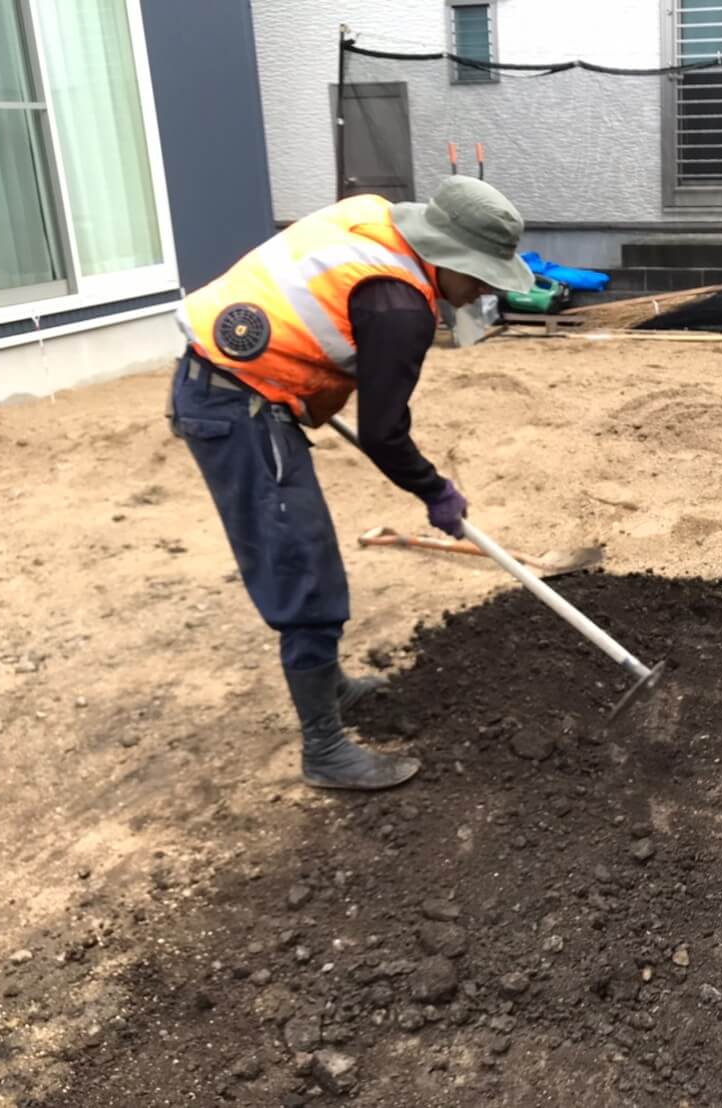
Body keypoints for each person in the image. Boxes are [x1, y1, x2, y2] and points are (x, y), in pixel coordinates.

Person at [168, 177, 533, 792]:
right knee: (300, 566)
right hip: (238, 406)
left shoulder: (373, 218)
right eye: (478, 279)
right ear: (443, 255)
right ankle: (324, 748)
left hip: (234, 382)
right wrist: (434, 489)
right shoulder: (397, 305)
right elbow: (385, 434)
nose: (479, 294)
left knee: (307, 551)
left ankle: (329, 686)